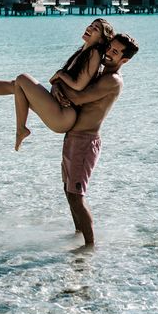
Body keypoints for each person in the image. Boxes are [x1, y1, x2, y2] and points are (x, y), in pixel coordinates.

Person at [0, 18, 114, 150]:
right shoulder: (83, 51)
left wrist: (60, 75)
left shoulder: (94, 53)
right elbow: (61, 82)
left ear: (101, 40)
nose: (89, 28)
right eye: (91, 25)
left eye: (95, 28)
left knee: (22, 79)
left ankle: (21, 129)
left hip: (64, 116)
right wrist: (55, 85)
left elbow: (79, 86)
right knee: (16, 85)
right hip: (61, 111)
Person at [53, 32, 139, 247]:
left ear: (124, 60)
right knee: (68, 190)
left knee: (76, 195)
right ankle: (78, 235)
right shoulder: (100, 72)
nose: (109, 53)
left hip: (85, 140)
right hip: (73, 137)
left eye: (116, 52)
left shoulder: (112, 80)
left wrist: (59, 79)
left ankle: (89, 248)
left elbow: (78, 97)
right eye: (110, 48)